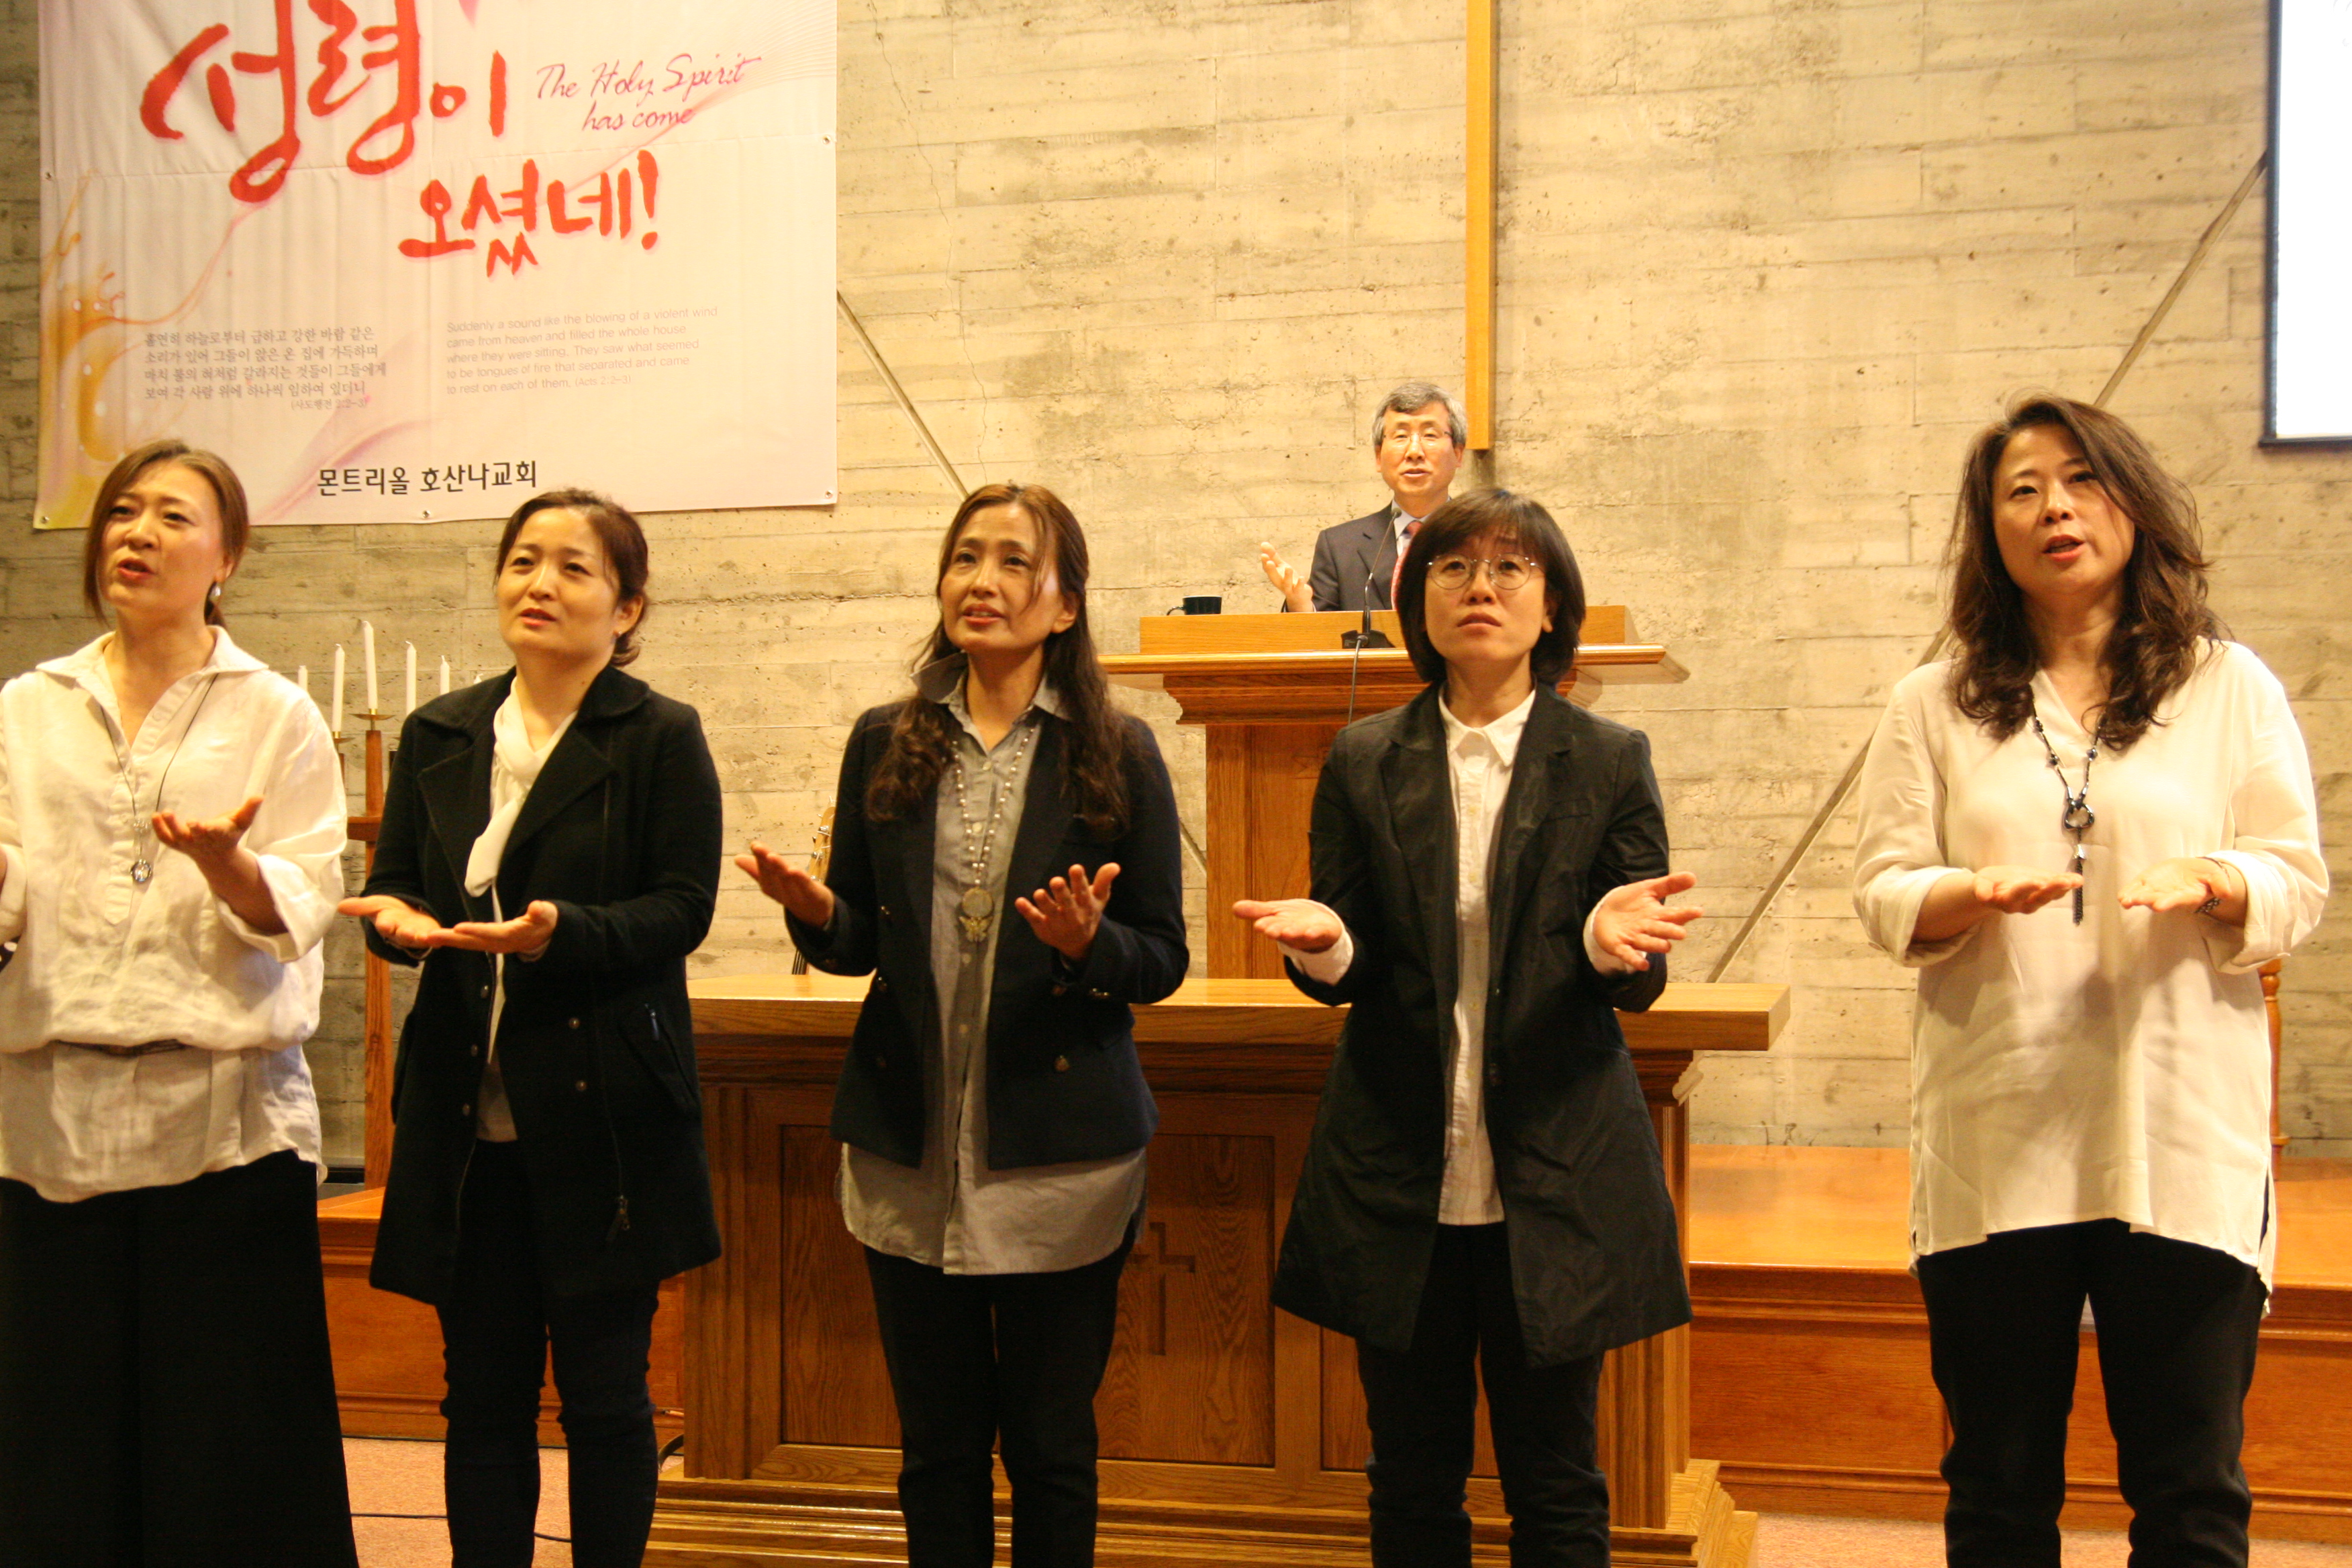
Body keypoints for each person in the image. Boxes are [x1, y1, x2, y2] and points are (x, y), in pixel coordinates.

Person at [1853, 393, 2327, 1568]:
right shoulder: (1931, 701)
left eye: (2080, 480)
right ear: (1989, 531)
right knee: (1997, 1487)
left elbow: (2296, 877)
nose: (2053, 509)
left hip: (2176, 1126)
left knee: (2189, 1487)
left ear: (2133, 504)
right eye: (2022, 491)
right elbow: (1882, 888)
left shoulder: (2227, 685)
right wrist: (1965, 891)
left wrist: (2214, 878)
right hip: (1997, 1125)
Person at [1233, 489, 1703, 1567]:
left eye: (1509, 569)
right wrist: (1326, 946)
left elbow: (1641, 976)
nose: (1479, 588)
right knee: (1409, 1476)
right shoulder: (1363, 756)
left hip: (1555, 1164)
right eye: (1453, 568)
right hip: (1402, 1164)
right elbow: (1351, 960)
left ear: (1552, 606)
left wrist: (1605, 943)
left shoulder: (1609, 757)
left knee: (1557, 1479)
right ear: (1419, 601)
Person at [738, 481, 1187, 1568]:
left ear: (1065, 603)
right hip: (909, 1149)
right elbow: (859, 946)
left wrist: (1087, 945)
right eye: (964, 558)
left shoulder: (1118, 750)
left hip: (1059, 1159)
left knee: (1049, 1448)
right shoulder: (883, 742)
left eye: (1013, 561)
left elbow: (1162, 957)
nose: (980, 581)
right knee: (936, 1450)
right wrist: (817, 915)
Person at [344, 488, 724, 1568]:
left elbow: (683, 908)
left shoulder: (658, 734)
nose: (539, 584)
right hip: (467, 1122)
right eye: (521, 561)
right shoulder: (442, 732)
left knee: (606, 1397)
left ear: (627, 606)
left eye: (572, 567)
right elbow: (398, 887)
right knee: (482, 1397)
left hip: (607, 1116)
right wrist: (402, 927)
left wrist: (566, 932)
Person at [0, 439, 356, 1567]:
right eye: (121, 512)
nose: (137, 534)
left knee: (227, 1446)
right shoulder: (26, 708)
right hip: (49, 1117)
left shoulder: (276, 713)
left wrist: (229, 866)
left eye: (171, 516)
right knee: (58, 1438)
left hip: (224, 1123)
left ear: (227, 557)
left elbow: (305, 897)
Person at [1261, 382, 1469, 612]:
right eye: (1401, 436)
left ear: (1458, 453)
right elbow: (1320, 631)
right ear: (1379, 456)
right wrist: (1300, 607)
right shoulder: (1340, 546)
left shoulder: (1484, 539)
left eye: (1430, 435)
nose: (1414, 452)